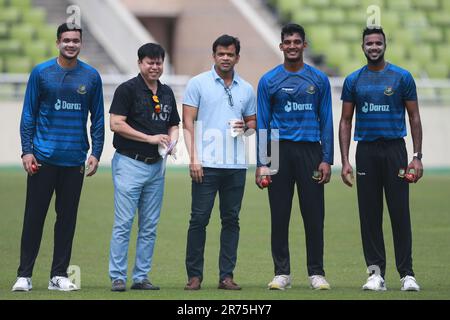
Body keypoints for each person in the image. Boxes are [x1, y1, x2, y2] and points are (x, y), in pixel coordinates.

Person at [13, 23, 104, 292]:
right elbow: (28, 114)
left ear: (81, 44)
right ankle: (24, 275)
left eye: (75, 40)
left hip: (74, 160)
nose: (71, 44)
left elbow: (97, 118)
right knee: (34, 218)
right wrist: (27, 150)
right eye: (66, 40)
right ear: (57, 43)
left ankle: (58, 276)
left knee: (67, 220)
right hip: (42, 159)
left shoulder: (91, 76)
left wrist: (96, 152)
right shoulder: (41, 73)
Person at [339, 27, 422, 291]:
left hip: (395, 150)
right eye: (369, 43)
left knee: (400, 214)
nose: (373, 47)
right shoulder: (354, 80)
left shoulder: (402, 77)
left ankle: (407, 274)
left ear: (385, 45)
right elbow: (345, 120)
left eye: (378, 43)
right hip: (366, 152)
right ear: (362, 47)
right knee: (370, 215)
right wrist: (345, 160)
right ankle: (376, 275)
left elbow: (415, 117)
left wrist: (417, 156)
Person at [256, 23, 333, 290]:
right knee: (279, 214)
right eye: (287, 42)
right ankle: (282, 273)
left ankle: (316, 273)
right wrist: (261, 163)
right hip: (277, 150)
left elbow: (327, 121)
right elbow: (263, 124)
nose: (291, 46)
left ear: (304, 45)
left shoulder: (318, 79)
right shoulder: (268, 80)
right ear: (281, 46)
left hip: (310, 151)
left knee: (314, 215)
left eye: (296, 42)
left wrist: (327, 158)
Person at [183, 34, 256, 290]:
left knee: (231, 221)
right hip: (205, 165)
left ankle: (226, 276)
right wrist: (194, 158)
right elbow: (188, 123)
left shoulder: (247, 88)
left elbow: (252, 125)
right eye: (221, 54)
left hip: (236, 166)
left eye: (230, 54)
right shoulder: (197, 83)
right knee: (198, 220)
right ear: (214, 55)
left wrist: (245, 127)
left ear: (237, 56)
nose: (225, 58)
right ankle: (194, 276)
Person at [108, 43, 180, 292]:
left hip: (157, 167)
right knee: (124, 223)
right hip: (129, 163)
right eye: (150, 62)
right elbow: (116, 124)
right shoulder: (127, 89)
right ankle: (117, 276)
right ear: (140, 63)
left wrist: (173, 141)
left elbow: (173, 124)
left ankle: (141, 277)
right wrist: (149, 138)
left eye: (159, 62)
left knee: (149, 225)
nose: (155, 66)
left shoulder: (167, 92)